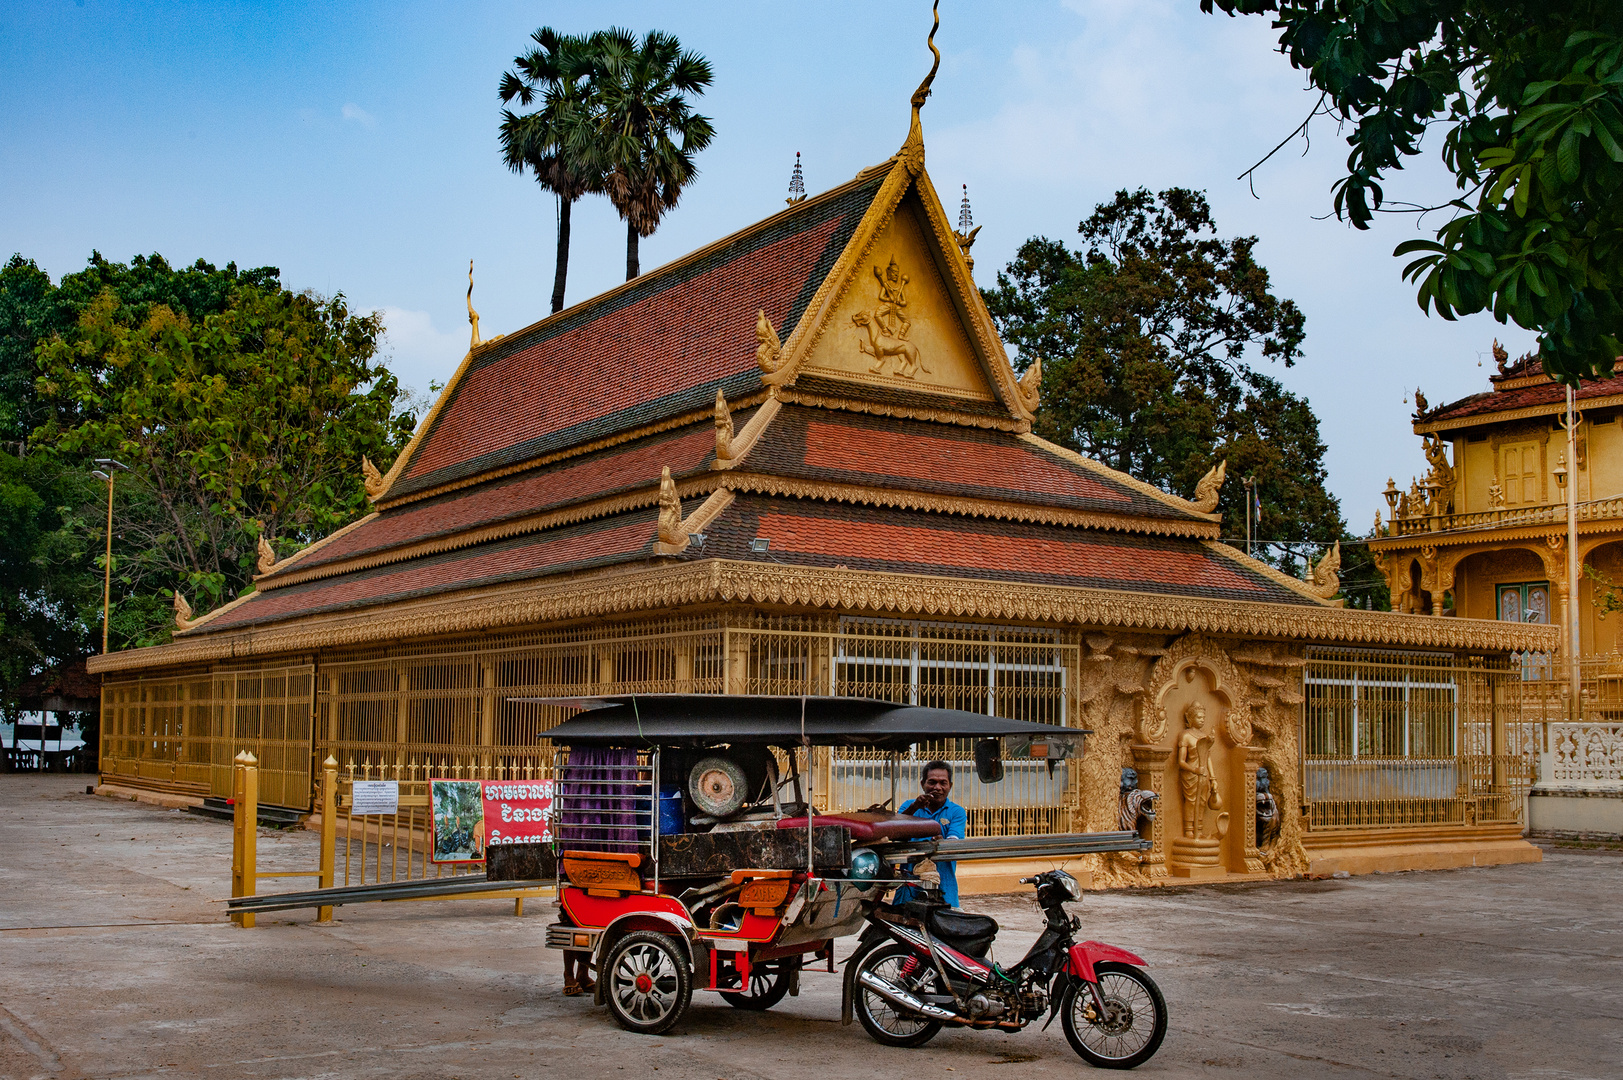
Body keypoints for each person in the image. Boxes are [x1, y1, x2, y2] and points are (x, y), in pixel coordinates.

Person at [894, 760, 968, 908]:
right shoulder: (909, 806)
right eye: (932, 782)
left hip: (943, 884)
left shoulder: (957, 812)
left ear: (950, 786)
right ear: (923, 784)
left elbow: (954, 840)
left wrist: (942, 842)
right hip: (910, 883)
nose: (937, 788)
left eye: (943, 783)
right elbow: (895, 833)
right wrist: (914, 807)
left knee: (946, 924)